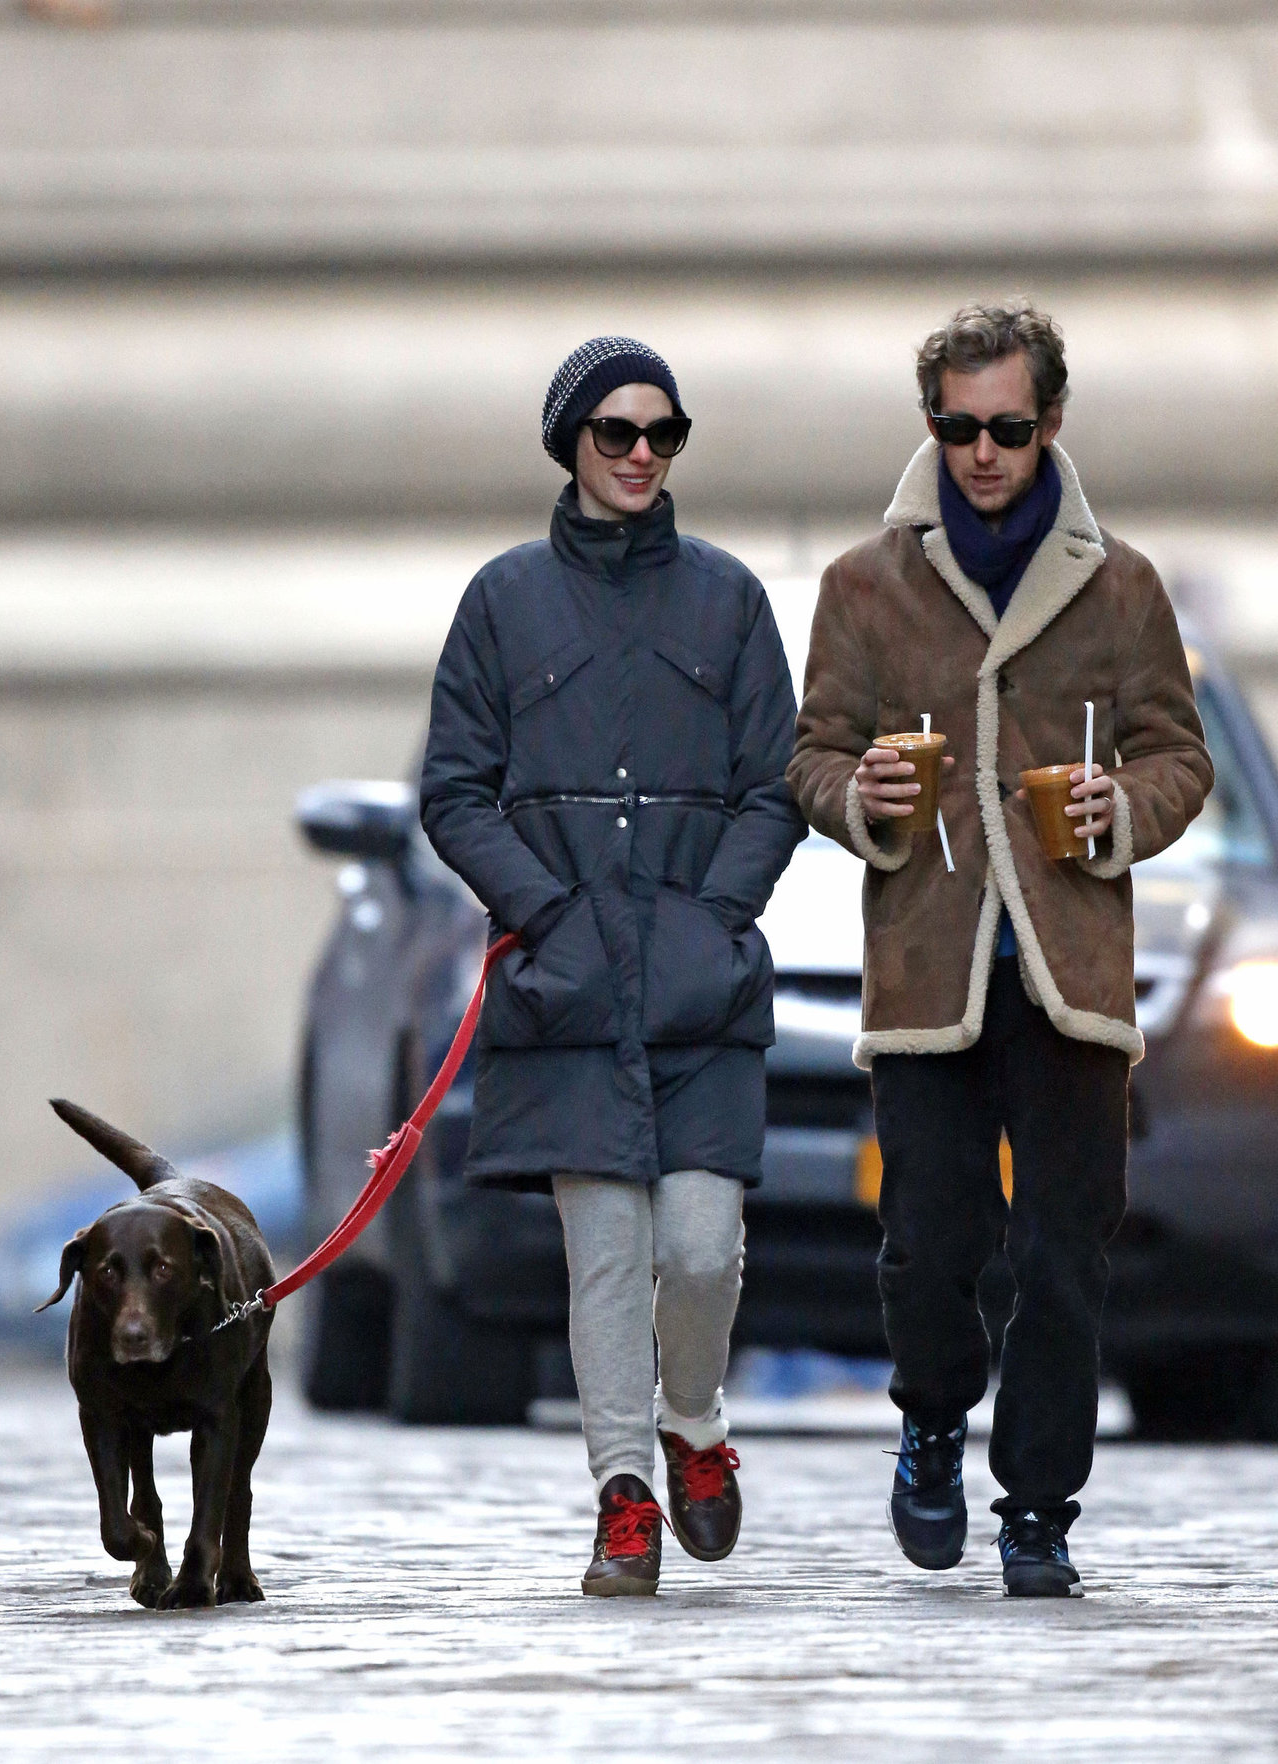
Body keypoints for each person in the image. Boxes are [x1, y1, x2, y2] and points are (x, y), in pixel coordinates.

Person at [787, 302, 1213, 1596]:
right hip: (927, 966)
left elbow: (1179, 758)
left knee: (1068, 1246)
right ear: (933, 426)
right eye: (959, 428)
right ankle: (928, 1423)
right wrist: (862, 798)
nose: (982, 452)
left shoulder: (1123, 586)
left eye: (1008, 429)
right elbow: (808, 759)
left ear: (1052, 425)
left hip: (1074, 969)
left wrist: (1119, 813)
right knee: (930, 1237)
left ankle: (1039, 1509)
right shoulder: (864, 585)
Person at [420, 336, 805, 1596]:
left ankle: (694, 1424)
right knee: (601, 1257)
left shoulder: (731, 600)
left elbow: (773, 787)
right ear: (569, 444)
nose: (641, 454)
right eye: (615, 432)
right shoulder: (500, 600)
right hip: (569, 985)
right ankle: (621, 1493)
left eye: (662, 433)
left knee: (699, 1247)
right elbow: (453, 792)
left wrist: (713, 915)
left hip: (697, 982)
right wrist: (545, 914)